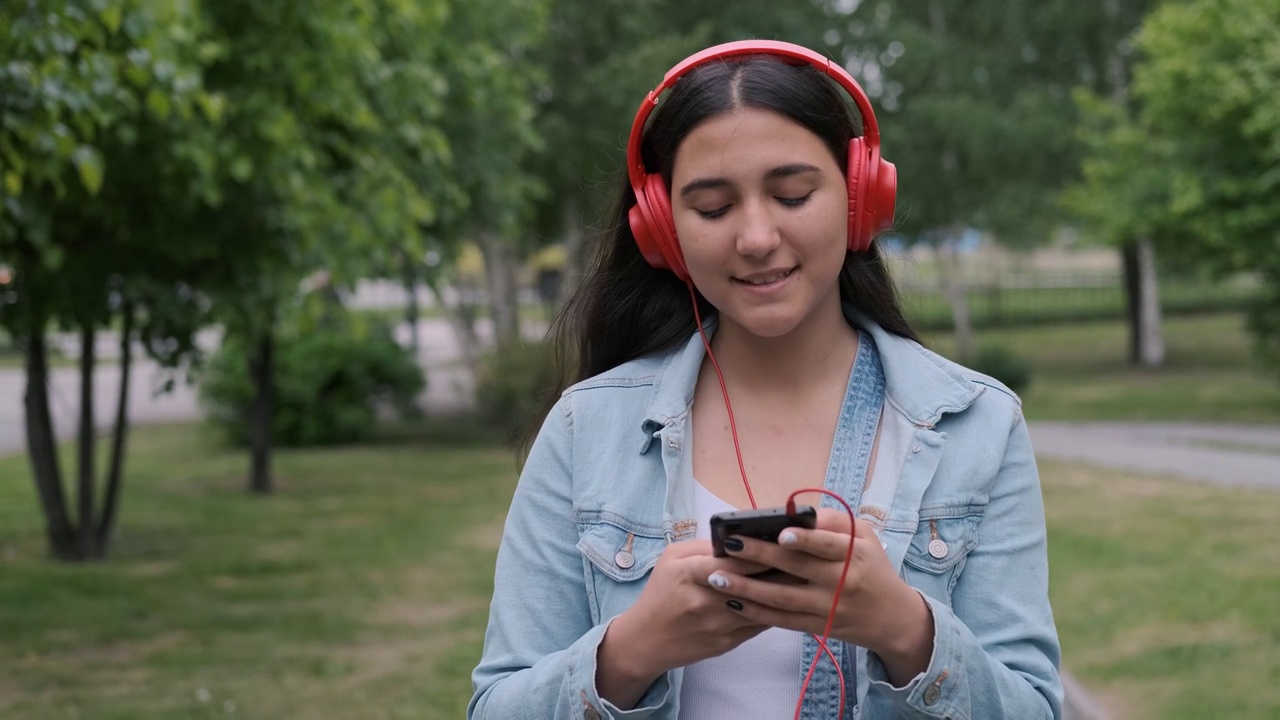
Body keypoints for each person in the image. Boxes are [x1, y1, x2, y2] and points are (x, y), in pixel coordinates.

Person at [468, 40, 1062, 720]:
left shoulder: (978, 424)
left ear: (859, 196)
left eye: (792, 194)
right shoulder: (585, 429)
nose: (755, 236)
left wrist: (906, 631)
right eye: (713, 209)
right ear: (663, 230)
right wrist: (630, 652)